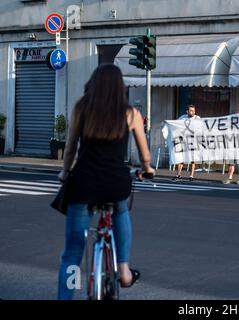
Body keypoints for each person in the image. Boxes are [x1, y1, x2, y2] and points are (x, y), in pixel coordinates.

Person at [56, 64, 155, 300]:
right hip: (115, 181)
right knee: (121, 211)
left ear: (94, 83)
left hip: (83, 182)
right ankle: (124, 270)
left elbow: (70, 148)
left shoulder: (82, 108)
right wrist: (147, 168)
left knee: (71, 253)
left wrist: (64, 172)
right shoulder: (130, 113)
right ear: (119, 87)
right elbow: (145, 155)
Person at [172, 105, 200, 182]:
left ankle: (191, 176)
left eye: (193, 111)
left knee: (192, 160)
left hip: (193, 141)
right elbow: (175, 124)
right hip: (183, 141)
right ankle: (178, 175)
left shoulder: (197, 118)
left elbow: (201, 127)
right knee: (181, 158)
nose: (193, 112)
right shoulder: (183, 117)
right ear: (187, 111)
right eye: (191, 110)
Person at [223, 108, 239, 185]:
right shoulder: (233, 123)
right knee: (231, 162)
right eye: (238, 114)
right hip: (233, 145)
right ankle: (230, 177)